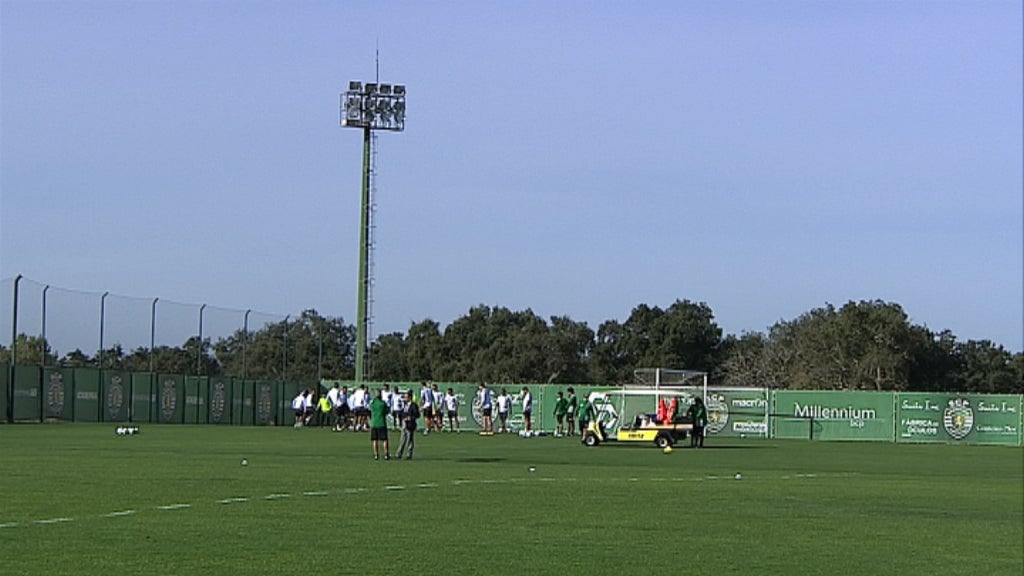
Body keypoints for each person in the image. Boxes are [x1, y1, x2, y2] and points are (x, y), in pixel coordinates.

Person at [396, 390, 419, 460]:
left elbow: (417, 414)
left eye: (406, 397)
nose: (405, 398)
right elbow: (403, 413)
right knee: (402, 439)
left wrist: (410, 418)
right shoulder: (405, 405)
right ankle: (399, 454)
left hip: (410, 424)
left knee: (409, 440)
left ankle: (409, 454)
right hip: (404, 423)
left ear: (410, 397)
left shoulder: (414, 405)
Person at [369, 389, 391, 460]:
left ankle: (376, 454)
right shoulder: (382, 403)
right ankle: (386, 454)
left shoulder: (372, 403)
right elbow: (387, 410)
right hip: (381, 423)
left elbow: (370, 409)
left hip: (374, 423)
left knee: (375, 440)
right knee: (384, 439)